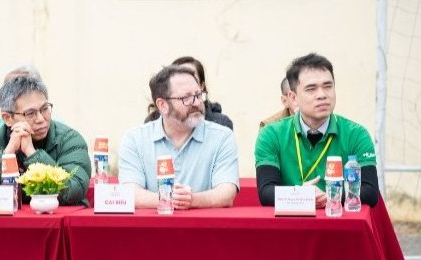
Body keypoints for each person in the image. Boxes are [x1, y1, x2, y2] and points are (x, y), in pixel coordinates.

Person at [254, 53, 379, 208]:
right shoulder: (271, 134)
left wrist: (330, 197)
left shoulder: (357, 135)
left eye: (328, 86)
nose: (322, 95)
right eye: (311, 89)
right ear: (293, 98)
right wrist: (302, 197)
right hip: (289, 225)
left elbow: (371, 191)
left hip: (338, 224)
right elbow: (266, 192)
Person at [120, 65, 239, 209]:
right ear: (163, 105)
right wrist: (169, 199)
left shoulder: (222, 137)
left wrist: (192, 200)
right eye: (186, 98)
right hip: (152, 229)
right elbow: (129, 193)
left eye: (198, 95)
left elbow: (226, 194)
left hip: (203, 229)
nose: (197, 103)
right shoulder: (134, 139)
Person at [0, 76, 91, 206]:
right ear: (7, 118)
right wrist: (7, 154)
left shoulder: (70, 140)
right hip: (11, 224)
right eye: (30, 114)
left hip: (57, 222)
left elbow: (74, 190)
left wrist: (31, 153)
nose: (41, 119)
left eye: (45, 109)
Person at [145, 56, 234, 130]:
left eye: (192, 77)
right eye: (180, 77)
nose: (187, 81)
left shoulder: (220, 125)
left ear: (201, 87)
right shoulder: (152, 123)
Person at [0, 64, 43, 140]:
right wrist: (10, 148)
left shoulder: (58, 130)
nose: (40, 119)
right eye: (30, 113)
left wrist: (31, 151)